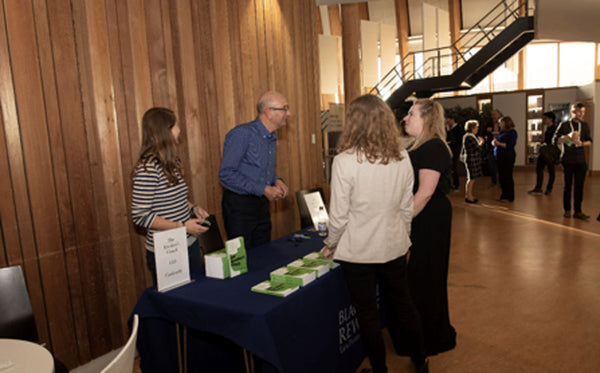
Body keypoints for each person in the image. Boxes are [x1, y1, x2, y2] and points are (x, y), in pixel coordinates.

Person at [321, 94, 428, 373]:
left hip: (359, 251)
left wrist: (331, 244)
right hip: (393, 244)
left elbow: (339, 215)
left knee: (367, 314)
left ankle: (380, 369)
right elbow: (407, 207)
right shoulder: (402, 156)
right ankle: (421, 361)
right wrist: (406, 238)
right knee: (404, 305)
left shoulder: (344, 161)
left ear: (354, 122)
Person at [132, 107, 210, 284]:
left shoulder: (172, 162)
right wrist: (181, 226)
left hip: (189, 243)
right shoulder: (148, 168)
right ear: (164, 130)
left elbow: (176, 198)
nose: (179, 129)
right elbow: (140, 215)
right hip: (167, 250)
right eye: (176, 126)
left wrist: (194, 208)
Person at [402, 98, 456, 356]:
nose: (405, 118)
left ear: (426, 118)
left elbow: (424, 194)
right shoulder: (420, 145)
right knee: (420, 275)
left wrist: (401, 223)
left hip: (430, 217)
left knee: (427, 275)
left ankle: (430, 337)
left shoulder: (433, 148)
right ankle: (421, 331)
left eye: (411, 114)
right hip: (425, 216)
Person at [219, 91, 290, 248]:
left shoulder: (271, 137)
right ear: (268, 112)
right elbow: (226, 174)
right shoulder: (241, 134)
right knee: (242, 263)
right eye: (284, 108)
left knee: (262, 256)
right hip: (240, 208)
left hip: (262, 206)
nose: (288, 113)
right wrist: (263, 189)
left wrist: (277, 180)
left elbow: (263, 170)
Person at [554, 102, 593, 220]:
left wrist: (581, 143)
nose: (581, 114)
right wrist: (568, 137)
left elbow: (590, 141)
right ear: (573, 112)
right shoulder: (564, 125)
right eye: (579, 112)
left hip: (581, 160)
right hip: (568, 160)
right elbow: (556, 140)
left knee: (579, 186)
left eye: (583, 112)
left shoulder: (585, 125)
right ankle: (567, 210)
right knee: (568, 186)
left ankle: (578, 211)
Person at [528, 112, 557, 195]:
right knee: (539, 168)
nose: (543, 120)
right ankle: (539, 188)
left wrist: (544, 141)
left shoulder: (554, 129)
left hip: (550, 153)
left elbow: (553, 141)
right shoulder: (548, 128)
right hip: (545, 152)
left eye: (545, 118)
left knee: (551, 170)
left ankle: (549, 188)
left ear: (550, 119)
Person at [492, 116, 517, 202]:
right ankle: (504, 195)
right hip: (500, 156)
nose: (500, 124)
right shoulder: (502, 132)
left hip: (507, 156)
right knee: (502, 177)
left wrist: (498, 143)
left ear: (506, 123)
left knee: (507, 176)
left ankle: (509, 196)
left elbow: (509, 145)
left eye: (501, 123)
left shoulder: (512, 132)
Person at [462, 120, 483, 203]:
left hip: (472, 159)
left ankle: (469, 195)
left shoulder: (470, 136)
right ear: (472, 128)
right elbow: (477, 148)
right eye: (476, 127)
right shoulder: (469, 137)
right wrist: (481, 143)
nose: (477, 129)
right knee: (471, 178)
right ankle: (469, 196)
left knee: (471, 178)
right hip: (471, 159)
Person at [481, 109, 501, 186]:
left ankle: (501, 181)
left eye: (495, 114)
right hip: (491, 145)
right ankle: (494, 181)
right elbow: (483, 133)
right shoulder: (488, 123)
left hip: (500, 145)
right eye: (492, 115)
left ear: (498, 115)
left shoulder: (502, 123)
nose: (493, 116)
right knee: (492, 164)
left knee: (500, 164)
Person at [445, 114, 464, 190]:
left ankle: (456, 185)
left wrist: (449, 131)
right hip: (449, 150)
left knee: (454, 167)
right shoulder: (448, 129)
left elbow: (456, 140)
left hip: (455, 150)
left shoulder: (458, 128)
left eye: (448, 119)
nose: (447, 121)